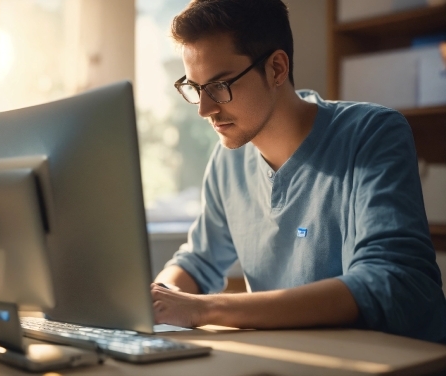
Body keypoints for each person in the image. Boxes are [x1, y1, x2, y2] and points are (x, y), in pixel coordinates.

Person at [150, 0, 446, 343]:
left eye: (219, 86)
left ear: (276, 69)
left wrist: (205, 309)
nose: (204, 109)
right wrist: (161, 298)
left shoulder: (373, 133)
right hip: (297, 358)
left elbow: (388, 281)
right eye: (196, 88)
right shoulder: (227, 160)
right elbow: (198, 262)